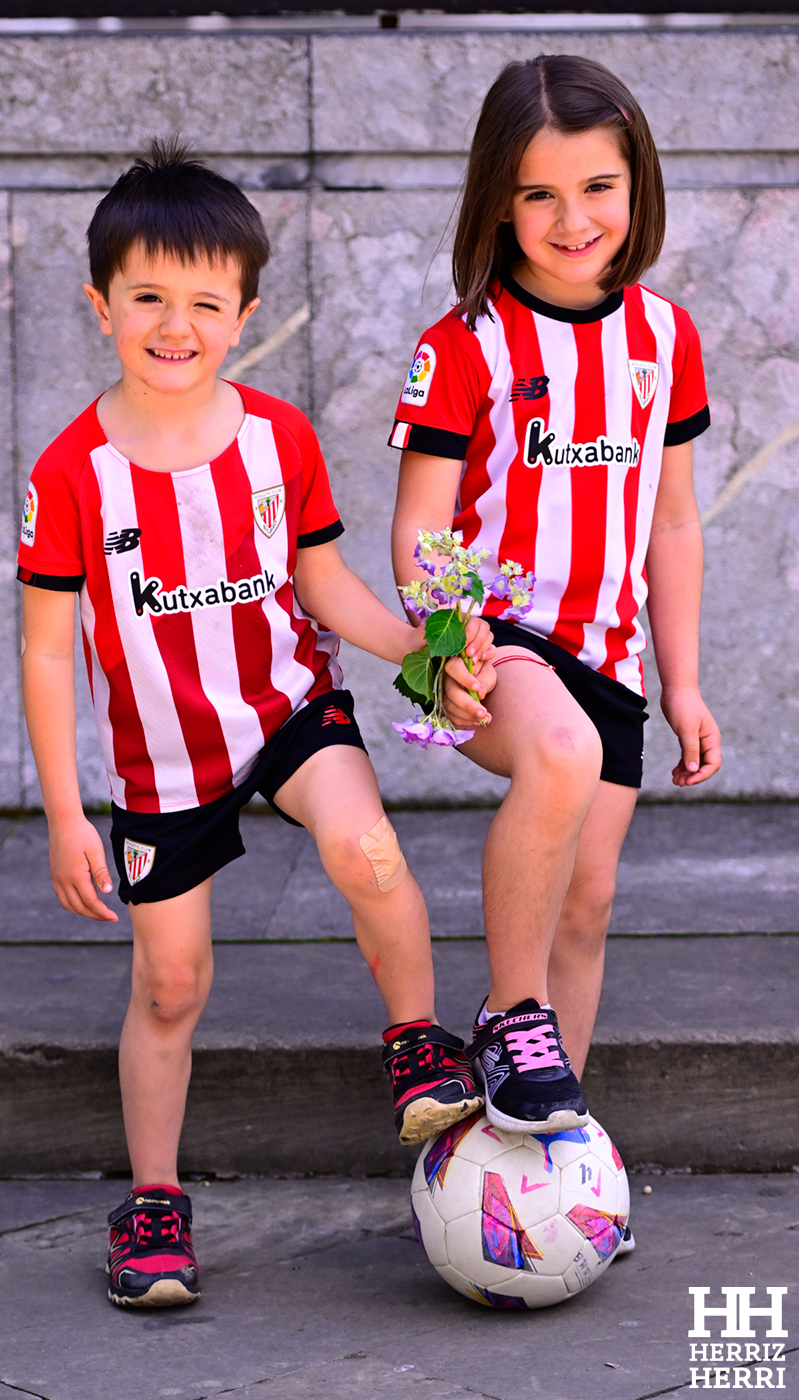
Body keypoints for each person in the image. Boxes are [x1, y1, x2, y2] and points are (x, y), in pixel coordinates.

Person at [17, 139, 493, 1308]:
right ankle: (156, 1197)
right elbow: (43, 646)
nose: (175, 325)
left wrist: (429, 646)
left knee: (366, 847)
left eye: (204, 303)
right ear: (102, 305)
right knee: (171, 981)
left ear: (245, 312)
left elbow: (326, 588)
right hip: (158, 757)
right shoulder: (71, 472)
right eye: (148, 300)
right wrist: (64, 807)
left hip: (287, 707)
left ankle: (418, 1045)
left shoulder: (278, 440)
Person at [390, 55, 721, 1180]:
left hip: (611, 651)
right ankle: (506, 1012)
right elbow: (420, 525)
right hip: (493, 641)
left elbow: (672, 524)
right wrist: (445, 649)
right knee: (561, 750)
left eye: (597, 188)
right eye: (538, 194)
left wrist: (681, 681)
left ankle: (544, 1153)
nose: (573, 218)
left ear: (639, 189)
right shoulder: (467, 342)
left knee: (588, 900)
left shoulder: (666, 338)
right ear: (496, 200)